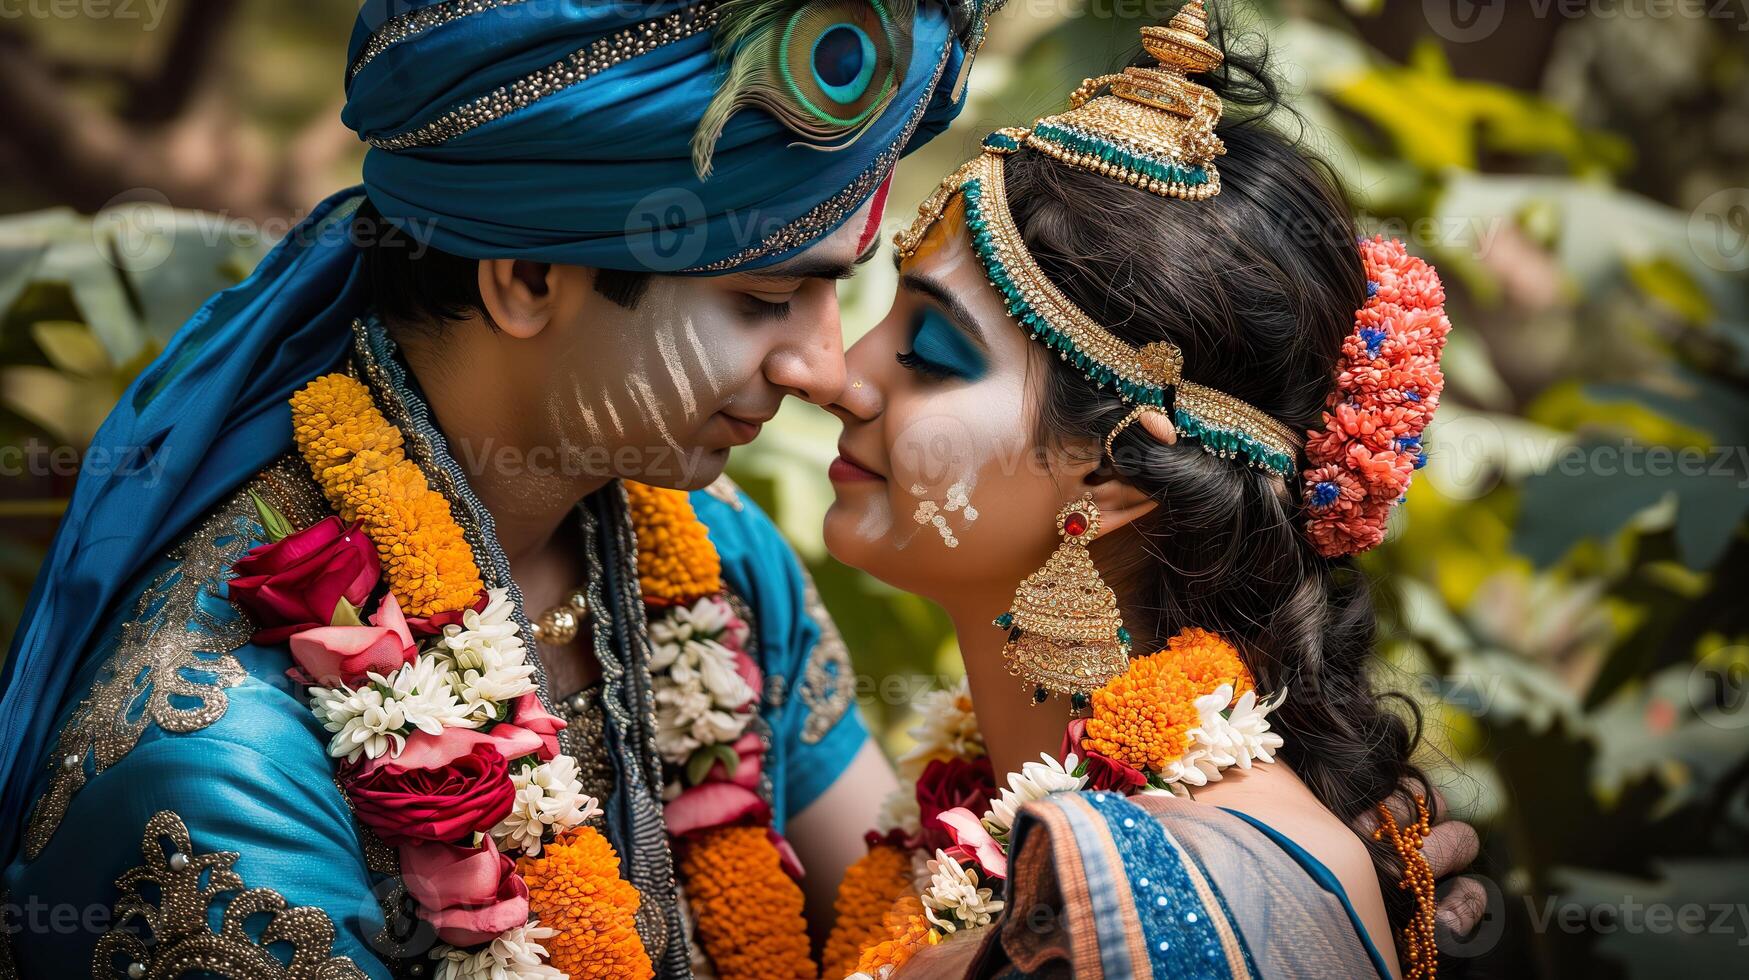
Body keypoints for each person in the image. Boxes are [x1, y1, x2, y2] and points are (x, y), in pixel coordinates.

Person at [0, 2, 1006, 977]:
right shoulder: (224, 752)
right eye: (766, 301)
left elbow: (902, 934)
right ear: (527, 278)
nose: (824, 370)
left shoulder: (720, 557)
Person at [819, 4, 1472, 977]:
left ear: (1117, 474)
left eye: (928, 353)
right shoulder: (963, 827)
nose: (842, 374)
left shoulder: (1208, 898)